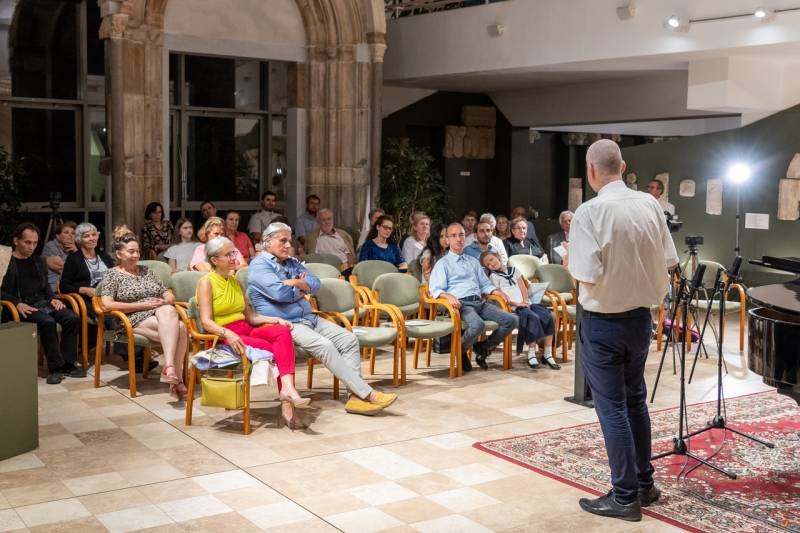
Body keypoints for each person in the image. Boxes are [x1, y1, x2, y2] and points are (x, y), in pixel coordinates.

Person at [570, 139, 678, 521]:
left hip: (603, 322)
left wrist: (570, 263)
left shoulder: (589, 212)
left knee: (612, 408)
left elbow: (587, 273)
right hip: (640, 320)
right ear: (624, 166)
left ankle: (625, 496)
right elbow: (669, 260)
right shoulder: (650, 204)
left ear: (591, 170)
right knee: (635, 402)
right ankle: (645, 484)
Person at [248, 222, 398, 415]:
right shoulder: (259, 265)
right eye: (283, 241)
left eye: (289, 241)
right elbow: (280, 293)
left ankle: (355, 397)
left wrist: (295, 282)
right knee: (325, 345)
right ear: (268, 242)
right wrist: (302, 289)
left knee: (349, 339)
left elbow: (315, 283)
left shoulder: (291, 262)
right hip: (286, 324)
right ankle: (367, 393)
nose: (288, 245)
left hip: (309, 318)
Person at [196, 236, 309, 429]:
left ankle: (287, 390)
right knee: (271, 348)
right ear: (214, 260)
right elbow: (206, 321)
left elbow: (251, 317)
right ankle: (288, 404)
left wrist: (275, 320)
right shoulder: (206, 282)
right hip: (224, 336)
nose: (234, 257)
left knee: (282, 331)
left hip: (246, 329)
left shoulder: (235, 280)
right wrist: (227, 334)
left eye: (234, 252)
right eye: (228, 254)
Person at [99, 226, 189, 399]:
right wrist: (143, 305)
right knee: (180, 329)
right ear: (119, 254)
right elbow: (107, 304)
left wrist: (167, 299)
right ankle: (177, 380)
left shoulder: (146, 271)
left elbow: (167, 292)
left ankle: (169, 367)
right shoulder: (112, 275)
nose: (136, 255)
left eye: (137, 251)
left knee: (170, 312)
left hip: (159, 313)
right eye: (131, 251)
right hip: (131, 317)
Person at [428, 222, 518, 372]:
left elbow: (485, 284)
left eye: (461, 235)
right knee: (478, 325)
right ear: (447, 239)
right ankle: (460, 351)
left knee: (512, 320)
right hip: (461, 305)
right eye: (454, 236)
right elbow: (435, 289)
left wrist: (497, 292)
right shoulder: (442, 264)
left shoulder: (473, 262)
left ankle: (483, 347)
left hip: (480, 303)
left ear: (465, 237)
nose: (458, 239)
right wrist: (447, 295)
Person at [2, 223, 83, 384]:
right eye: (27, 242)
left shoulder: (38, 260)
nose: (32, 247)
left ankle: (68, 363)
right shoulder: (5, 262)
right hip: (20, 306)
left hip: (42, 302)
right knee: (48, 322)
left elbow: (45, 286)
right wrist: (16, 303)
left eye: (35, 243)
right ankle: (55, 368)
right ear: (16, 241)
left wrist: (53, 298)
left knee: (72, 318)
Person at [479, 251, 558, 369]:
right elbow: (501, 296)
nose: (491, 264)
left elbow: (523, 287)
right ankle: (531, 353)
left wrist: (525, 300)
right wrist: (517, 304)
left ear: (497, 257)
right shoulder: (494, 277)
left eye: (491, 260)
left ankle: (547, 354)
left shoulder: (514, 270)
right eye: (488, 265)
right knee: (532, 318)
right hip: (513, 308)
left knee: (549, 316)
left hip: (526, 304)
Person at [60, 222, 114, 318]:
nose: (92, 238)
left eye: (94, 235)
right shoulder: (73, 259)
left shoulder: (104, 256)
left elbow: (115, 277)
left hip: (109, 297)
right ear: (79, 239)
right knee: (112, 316)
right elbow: (64, 286)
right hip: (88, 300)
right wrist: (84, 290)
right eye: (87, 236)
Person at [304, 208, 355, 274]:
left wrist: (350, 271)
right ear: (318, 221)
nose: (327, 222)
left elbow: (350, 255)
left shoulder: (343, 235)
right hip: (322, 271)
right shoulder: (312, 237)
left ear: (333, 220)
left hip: (343, 270)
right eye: (323, 220)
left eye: (329, 219)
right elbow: (308, 256)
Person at [41, 220, 77, 292]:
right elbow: (63, 270)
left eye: (73, 233)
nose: (70, 235)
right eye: (66, 232)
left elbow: (84, 268)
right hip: (54, 288)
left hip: (70, 286)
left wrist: (76, 251)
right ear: (58, 236)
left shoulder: (75, 249)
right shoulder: (50, 246)